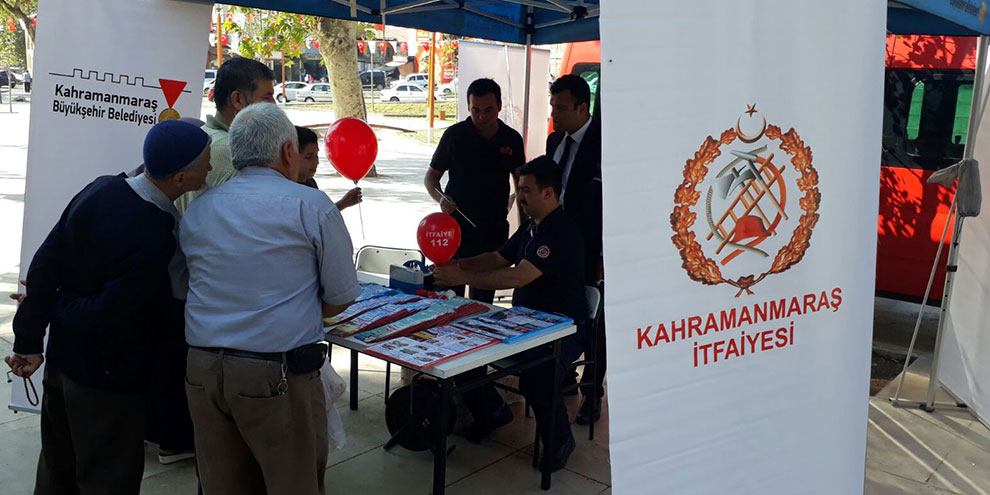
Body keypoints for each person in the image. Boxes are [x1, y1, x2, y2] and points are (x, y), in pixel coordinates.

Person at [4, 120, 212, 494]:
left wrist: (29, 339)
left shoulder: (102, 187)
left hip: (62, 364)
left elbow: (44, 263)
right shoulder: (155, 235)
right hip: (107, 382)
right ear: (181, 179)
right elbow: (108, 311)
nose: (211, 170)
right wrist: (52, 308)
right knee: (108, 477)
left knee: (57, 470)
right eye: (206, 163)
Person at [179, 103, 360, 495]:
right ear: (287, 152)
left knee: (221, 483)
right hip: (275, 373)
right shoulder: (311, 206)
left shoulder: (200, 210)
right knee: (291, 482)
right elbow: (340, 296)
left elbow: (188, 285)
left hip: (204, 369)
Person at [434, 156, 585, 471]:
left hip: (563, 327)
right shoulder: (532, 227)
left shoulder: (561, 231)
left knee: (539, 377)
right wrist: (458, 264)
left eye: (527, 190)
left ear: (549, 192)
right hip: (523, 323)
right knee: (462, 349)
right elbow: (498, 258)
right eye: (520, 188)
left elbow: (519, 276)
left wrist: (463, 278)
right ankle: (492, 411)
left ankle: (560, 441)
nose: (521, 197)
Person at [423, 78, 525, 440]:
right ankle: (450, 391)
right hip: (453, 237)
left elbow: (521, 186)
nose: (481, 116)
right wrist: (440, 198)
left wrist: (524, 229)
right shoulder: (454, 135)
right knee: (447, 312)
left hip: (493, 238)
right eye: (475, 110)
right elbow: (431, 178)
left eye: (488, 110)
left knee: (479, 321)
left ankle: (483, 403)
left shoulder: (511, 140)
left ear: (499, 107)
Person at [546, 74, 605, 425]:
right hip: (556, 245)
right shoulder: (556, 140)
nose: (555, 113)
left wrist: (603, 256)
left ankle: (592, 391)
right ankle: (563, 373)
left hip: (590, 247)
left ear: (583, 107)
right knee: (556, 309)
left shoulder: (606, 144)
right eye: (552, 106)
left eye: (562, 107)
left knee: (594, 321)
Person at [175, 56, 275, 214]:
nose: (273, 105)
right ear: (238, 100)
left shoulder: (205, 136)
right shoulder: (232, 150)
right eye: (266, 97)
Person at [295, 126, 362, 210]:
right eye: (309, 157)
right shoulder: (287, 192)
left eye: (316, 155)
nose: (316, 162)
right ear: (290, 155)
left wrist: (343, 204)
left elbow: (319, 217)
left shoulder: (311, 182)